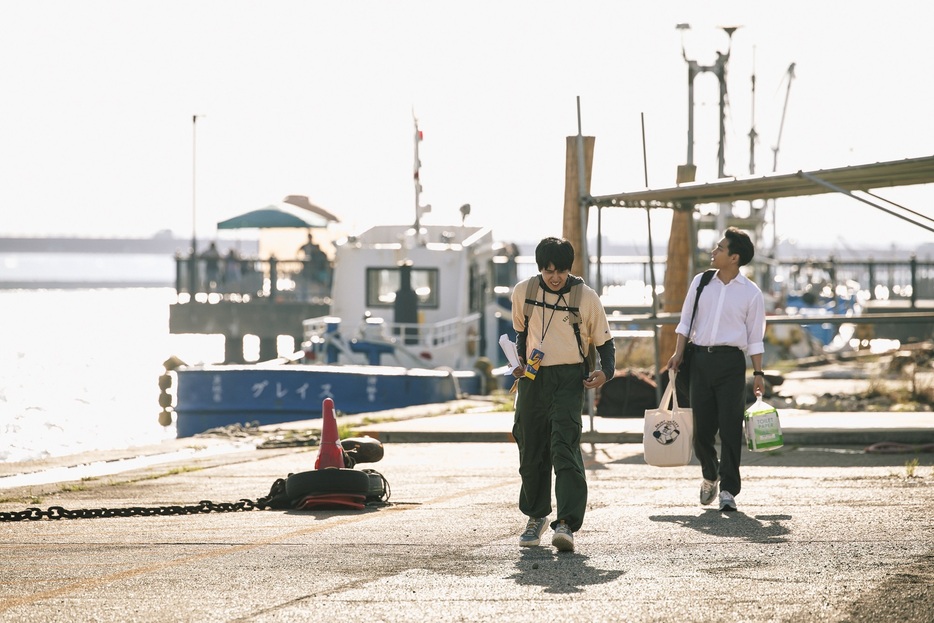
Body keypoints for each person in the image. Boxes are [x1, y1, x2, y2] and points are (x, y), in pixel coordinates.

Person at [510, 236, 615, 552]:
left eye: (561, 271)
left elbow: (604, 343)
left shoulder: (586, 297)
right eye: (548, 270)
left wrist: (605, 372)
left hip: (569, 378)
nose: (555, 277)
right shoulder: (524, 292)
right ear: (540, 268)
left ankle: (567, 523)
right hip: (532, 377)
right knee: (529, 448)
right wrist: (518, 364)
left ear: (570, 269)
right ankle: (536, 516)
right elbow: (521, 335)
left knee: (563, 446)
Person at [666, 227, 766, 513]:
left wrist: (758, 374)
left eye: (720, 248)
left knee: (731, 427)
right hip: (699, 362)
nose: (714, 251)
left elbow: (755, 338)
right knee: (701, 431)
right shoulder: (701, 282)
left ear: (734, 257)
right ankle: (710, 474)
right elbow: (685, 322)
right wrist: (678, 353)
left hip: (731, 364)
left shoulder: (751, 293)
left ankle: (729, 490)